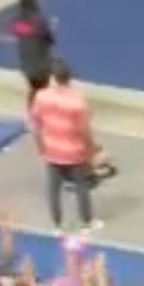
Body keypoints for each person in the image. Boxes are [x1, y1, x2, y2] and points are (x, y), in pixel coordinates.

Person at [30, 59, 102, 234]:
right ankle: (87, 223)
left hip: (52, 151)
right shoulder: (78, 102)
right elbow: (84, 131)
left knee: (53, 188)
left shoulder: (41, 96)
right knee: (81, 187)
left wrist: (40, 146)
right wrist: (91, 150)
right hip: (75, 153)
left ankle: (57, 225)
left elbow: (36, 125)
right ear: (69, 78)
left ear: (52, 78)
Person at [14, 0, 57, 96]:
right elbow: (50, 40)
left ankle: (33, 110)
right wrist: (52, 28)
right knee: (44, 92)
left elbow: (24, 34)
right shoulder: (40, 20)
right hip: (41, 65)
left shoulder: (17, 20)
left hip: (27, 64)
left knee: (34, 90)